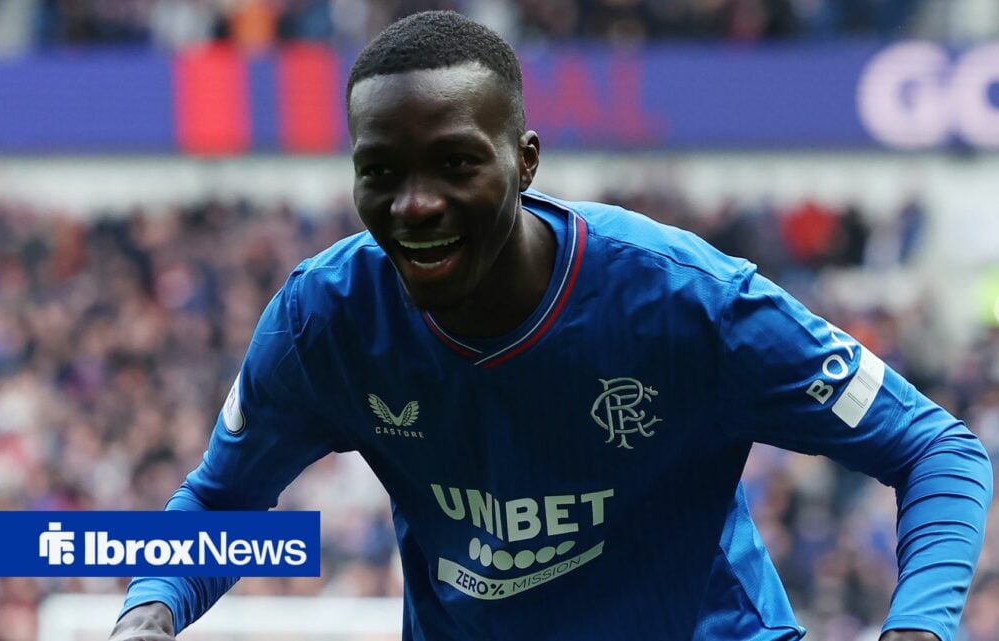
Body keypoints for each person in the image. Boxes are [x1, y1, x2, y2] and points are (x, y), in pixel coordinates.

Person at [110, 11, 992, 641]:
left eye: (456, 163)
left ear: (525, 160)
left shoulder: (686, 302)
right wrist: (147, 613)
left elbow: (937, 450)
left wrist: (916, 627)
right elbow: (220, 502)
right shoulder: (326, 319)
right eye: (380, 171)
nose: (415, 205)